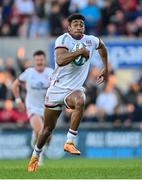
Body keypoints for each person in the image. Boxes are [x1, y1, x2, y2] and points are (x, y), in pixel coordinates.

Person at [28, 13, 108, 172]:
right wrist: (79, 52)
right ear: (69, 27)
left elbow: (103, 47)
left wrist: (106, 68)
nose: (79, 26)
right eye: (75, 24)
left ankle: (70, 141)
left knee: (80, 100)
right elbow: (60, 60)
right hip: (56, 90)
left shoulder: (90, 41)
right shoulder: (63, 39)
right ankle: (35, 156)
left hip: (73, 90)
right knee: (47, 130)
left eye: (82, 24)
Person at [12, 50, 53, 165]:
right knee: (41, 132)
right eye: (37, 60)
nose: (39, 62)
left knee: (48, 137)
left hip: (47, 108)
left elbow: (59, 87)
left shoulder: (51, 73)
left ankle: (35, 140)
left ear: (44, 61)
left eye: (41, 60)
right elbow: (15, 85)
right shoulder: (29, 73)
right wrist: (18, 100)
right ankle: (38, 157)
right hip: (32, 107)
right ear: (34, 61)